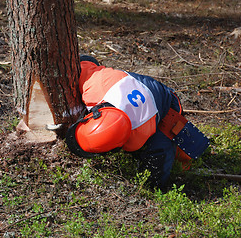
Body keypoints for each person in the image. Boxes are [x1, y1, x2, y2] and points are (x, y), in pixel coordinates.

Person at [66, 55, 209, 187]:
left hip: (167, 107)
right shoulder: (94, 85)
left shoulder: (136, 139)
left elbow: (131, 146)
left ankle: (175, 170)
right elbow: (85, 62)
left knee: (157, 170)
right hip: (142, 88)